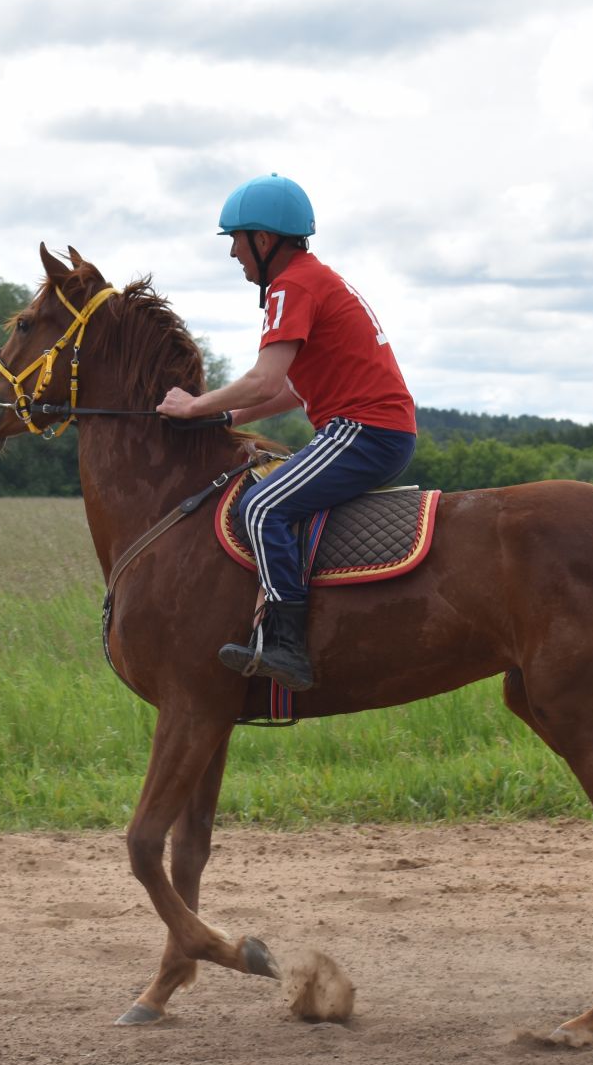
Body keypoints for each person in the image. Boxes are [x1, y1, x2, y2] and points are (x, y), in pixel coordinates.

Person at [157, 173, 417, 691]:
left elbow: (263, 379)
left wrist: (192, 407)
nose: (233, 253)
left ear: (265, 239)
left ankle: (285, 645)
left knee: (261, 505)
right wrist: (224, 418)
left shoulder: (291, 284)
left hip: (363, 431)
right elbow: (293, 391)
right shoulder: (313, 278)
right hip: (372, 429)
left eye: (236, 238)